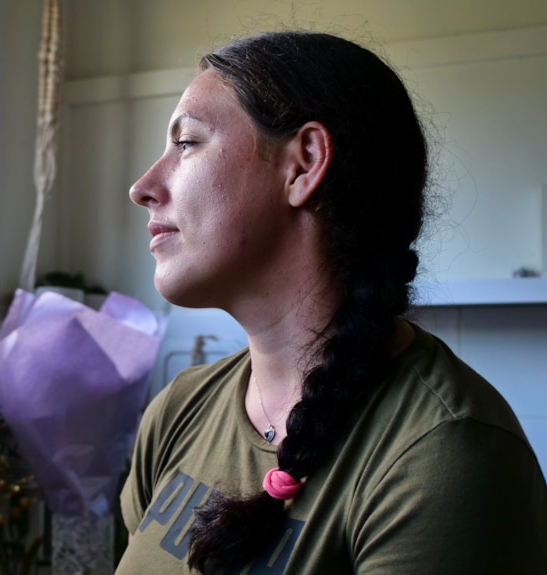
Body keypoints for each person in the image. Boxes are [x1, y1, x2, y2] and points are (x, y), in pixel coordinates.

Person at [117, 30, 547, 574]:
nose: (142, 186)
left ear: (304, 163)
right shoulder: (178, 410)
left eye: (186, 144)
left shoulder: (445, 455)